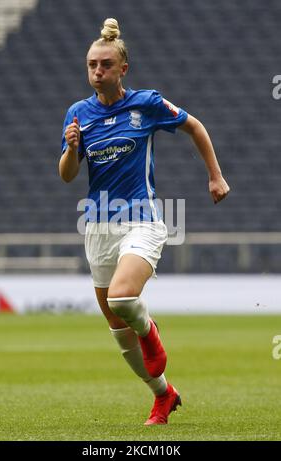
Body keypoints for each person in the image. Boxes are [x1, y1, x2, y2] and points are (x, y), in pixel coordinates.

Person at [59, 18, 230, 426]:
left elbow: (194, 125)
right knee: (118, 329)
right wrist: (70, 150)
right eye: (91, 65)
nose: (96, 71)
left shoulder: (146, 104)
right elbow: (67, 175)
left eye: (104, 65)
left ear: (122, 70)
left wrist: (215, 174)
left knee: (121, 298)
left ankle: (151, 335)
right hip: (98, 226)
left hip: (142, 218)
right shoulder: (77, 113)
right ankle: (163, 394)